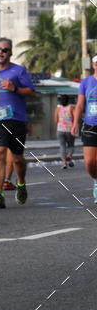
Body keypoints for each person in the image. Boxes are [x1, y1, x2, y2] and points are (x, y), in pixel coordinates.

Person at [0, 37, 36, 208]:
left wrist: (14, 88)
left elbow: (31, 92)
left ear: (10, 52)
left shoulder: (19, 71)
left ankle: (21, 183)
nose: (1, 52)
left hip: (16, 120)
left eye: (4, 50)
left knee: (17, 159)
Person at [71, 55, 97, 203]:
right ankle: (96, 180)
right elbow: (80, 105)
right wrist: (75, 122)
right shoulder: (86, 82)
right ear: (93, 65)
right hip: (90, 125)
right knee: (90, 162)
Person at [55, 94, 75, 170]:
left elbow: (56, 120)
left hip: (60, 130)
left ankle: (64, 163)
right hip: (70, 130)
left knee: (62, 146)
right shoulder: (71, 108)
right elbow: (75, 118)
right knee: (71, 145)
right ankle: (69, 156)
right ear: (68, 100)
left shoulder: (58, 109)